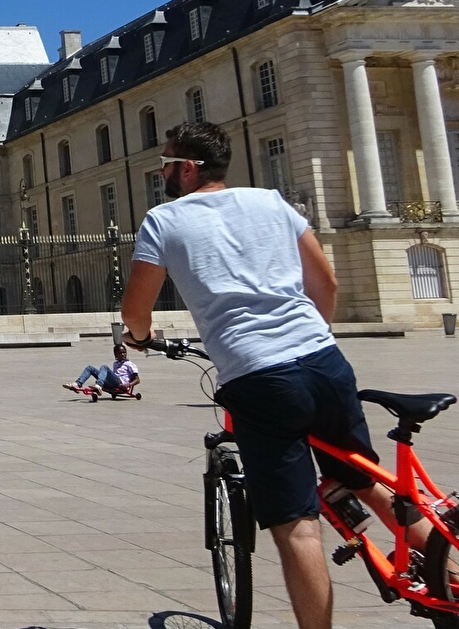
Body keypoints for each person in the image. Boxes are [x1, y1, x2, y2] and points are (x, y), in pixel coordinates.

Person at [121, 121, 436, 629]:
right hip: (323, 359)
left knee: (298, 527)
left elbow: (136, 310)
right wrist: (311, 338)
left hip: (258, 375)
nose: (161, 171)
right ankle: (446, 572)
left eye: (165, 162)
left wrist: (136, 339)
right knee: (366, 478)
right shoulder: (271, 202)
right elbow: (325, 282)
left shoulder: (164, 220)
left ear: (186, 167)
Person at [64, 343, 138, 395]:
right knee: (90, 368)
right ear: (115, 354)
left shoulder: (130, 364)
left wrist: (128, 385)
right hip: (112, 383)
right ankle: (77, 384)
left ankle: (99, 385)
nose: (123, 354)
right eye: (120, 353)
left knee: (104, 367)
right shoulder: (115, 363)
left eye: (124, 352)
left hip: (120, 383)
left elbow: (137, 380)